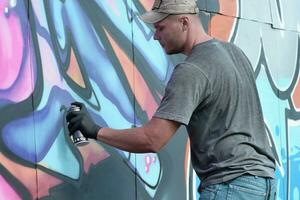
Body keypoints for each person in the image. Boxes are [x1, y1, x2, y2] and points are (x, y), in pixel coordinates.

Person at [66, 0, 277, 199]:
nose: (155, 36)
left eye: (161, 27)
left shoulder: (192, 70)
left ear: (184, 22)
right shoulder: (235, 53)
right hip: (264, 183)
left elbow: (152, 139)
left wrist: (94, 130)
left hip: (230, 186)